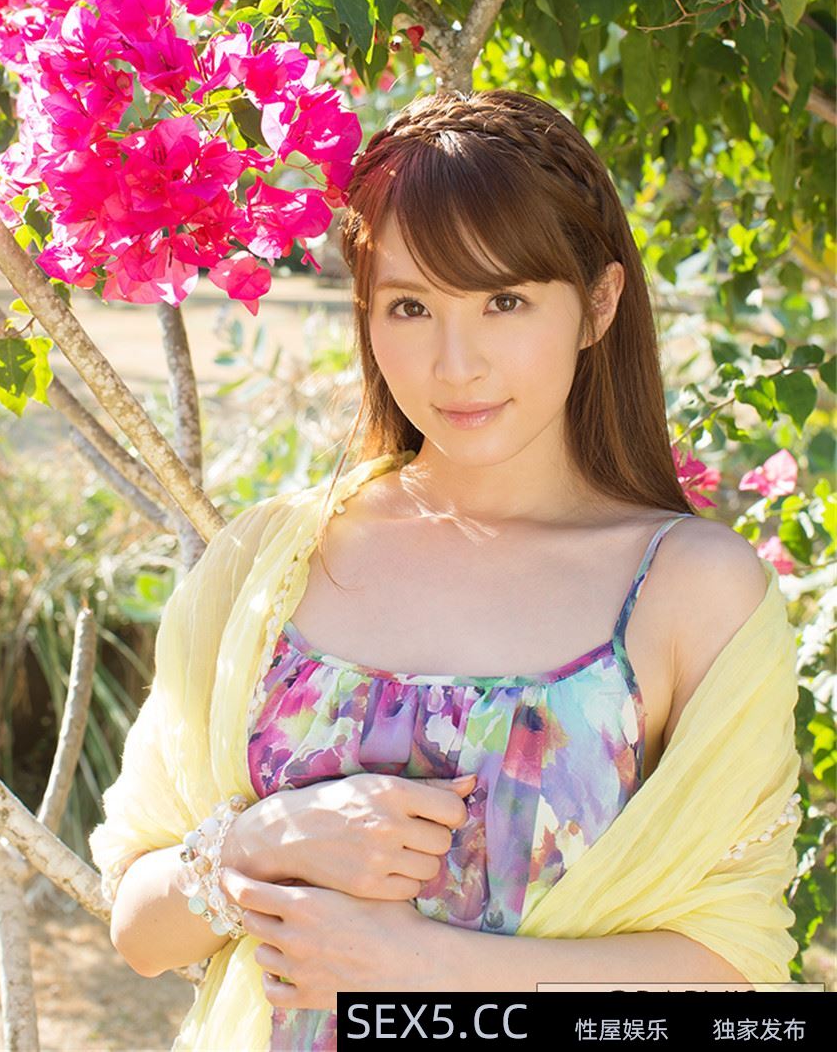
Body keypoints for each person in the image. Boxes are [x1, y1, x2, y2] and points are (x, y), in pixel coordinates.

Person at [89, 89, 802, 1052]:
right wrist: (262, 842)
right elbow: (140, 929)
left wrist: (428, 971)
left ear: (598, 304)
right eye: (411, 306)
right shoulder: (270, 561)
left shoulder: (690, 590)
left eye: (505, 301)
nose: (455, 363)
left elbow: (741, 979)